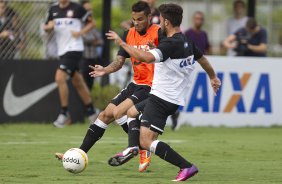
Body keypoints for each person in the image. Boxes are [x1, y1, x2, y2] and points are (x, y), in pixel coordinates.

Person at [106, 3, 221, 181]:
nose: (158, 23)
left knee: (146, 141)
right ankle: (132, 148)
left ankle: (186, 166)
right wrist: (213, 77)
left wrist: (122, 43)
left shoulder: (170, 44)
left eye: (159, 20)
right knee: (131, 112)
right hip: (171, 98)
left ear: (166, 22)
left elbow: (145, 57)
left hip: (162, 98)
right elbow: (203, 59)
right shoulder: (187, 41)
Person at [56, 1, 163, 172]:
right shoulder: (128, 34)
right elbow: (119, 62)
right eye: (134, 19)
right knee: (105, 115)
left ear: (149, 17)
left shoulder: (158, 32)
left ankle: (141, 148)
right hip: (136, 83)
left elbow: (168, 55)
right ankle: (79, 154)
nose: (136, 23)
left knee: (118, 112)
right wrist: (105, 70)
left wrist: (156, 48)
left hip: (153, 85)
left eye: (140, 19)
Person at [44, 0, 98, 128]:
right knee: (77, 82)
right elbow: (46, 28)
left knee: (59, 77)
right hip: (62, 50)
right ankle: (92, 113)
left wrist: (80, 33)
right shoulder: (53, 9)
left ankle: (64, 113)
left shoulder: (77, 8)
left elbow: (92, 23)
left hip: (74, 48)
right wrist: (49, 27)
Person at [80, 0, 104, 90]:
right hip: (82, 60)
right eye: (87, 10)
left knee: (90, 86)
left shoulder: (93, 25)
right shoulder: (79, 25)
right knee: (82, 85)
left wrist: (93, 40)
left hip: (93, 59)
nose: (89, 12)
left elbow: (100, 41)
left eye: (90, 9)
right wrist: (93, 40)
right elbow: (83, 39)